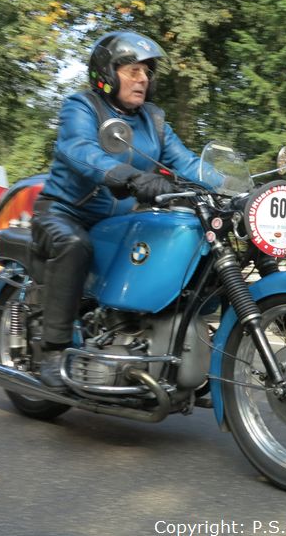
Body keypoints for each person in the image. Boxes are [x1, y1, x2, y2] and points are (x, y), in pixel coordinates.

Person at [31, 29, 211, 388]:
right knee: (73, 245)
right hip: (67, 213)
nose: (143, 78)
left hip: (122, 221)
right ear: (107, 73)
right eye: (133, 70)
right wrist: (130, 177)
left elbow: (189, 165)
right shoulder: (82, 107)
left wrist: (241, 188)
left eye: (147, 71)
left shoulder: (154, 121)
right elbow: (81, 150)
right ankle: (53, 349)